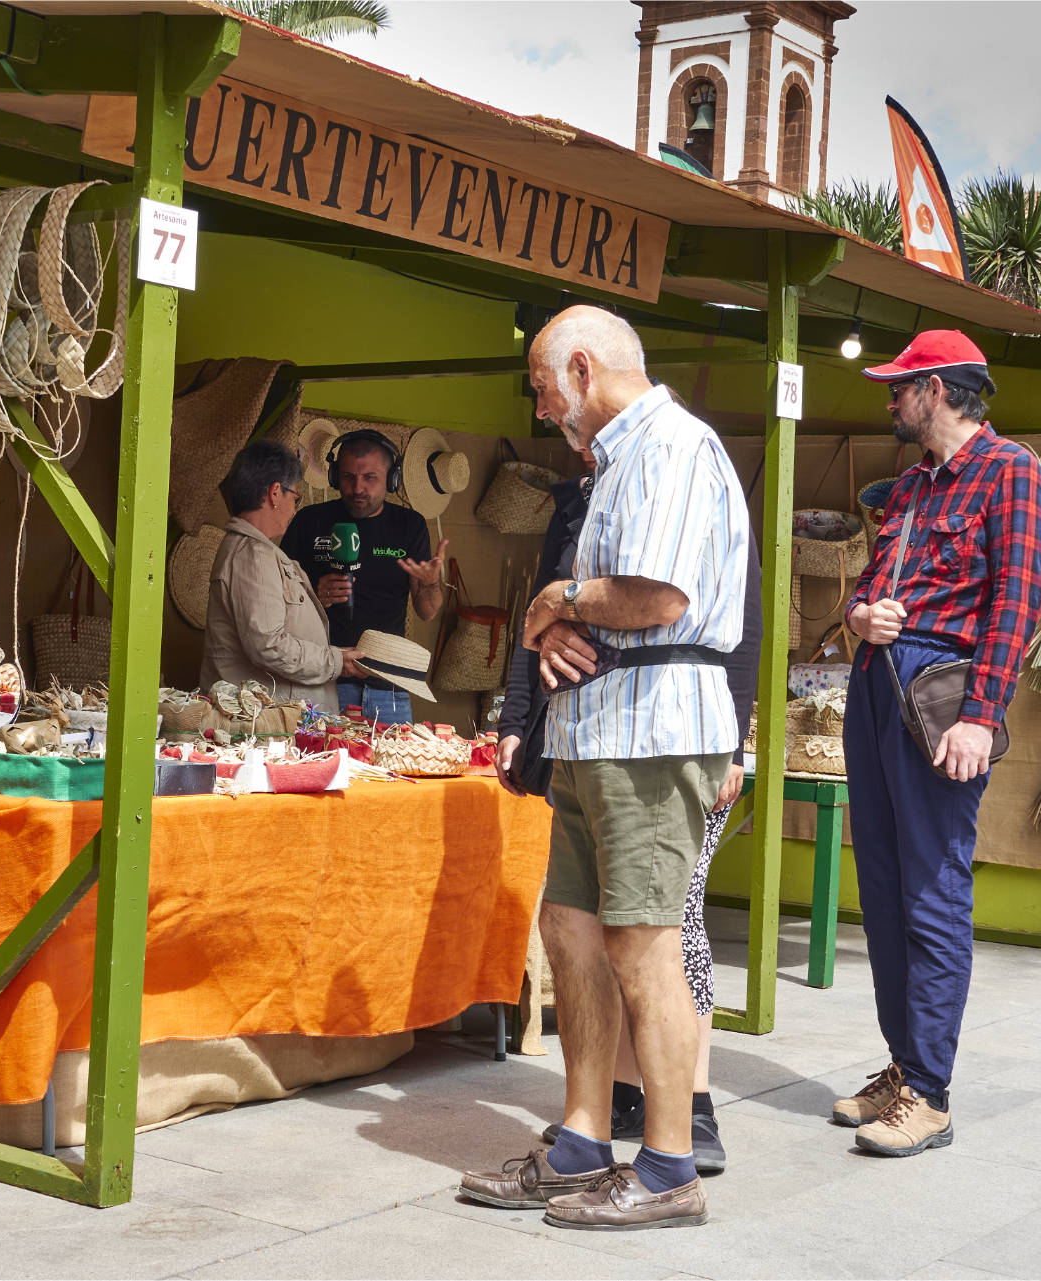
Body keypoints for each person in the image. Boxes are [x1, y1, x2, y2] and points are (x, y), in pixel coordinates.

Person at [460, 306, 746, 1232]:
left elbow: (659, 593)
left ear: (582, 369)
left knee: (643, 936)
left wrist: (558, 596)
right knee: (573, 928)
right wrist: (554, 638)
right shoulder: (622, 458)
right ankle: (583, 1140)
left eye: (546, 391)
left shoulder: (669, 444)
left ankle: (668, 1165)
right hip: (600, 726)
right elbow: (609, 611)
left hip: (652, 728)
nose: (548, 412)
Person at [494, 447, 763, 1176]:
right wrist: (520, 716)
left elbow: (731, 623)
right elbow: (536, 625)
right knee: (591, 927)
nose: (560, 421)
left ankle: (690, 1114)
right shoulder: (578, 501)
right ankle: (610, 1104)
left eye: (556, 395)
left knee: (667, 930)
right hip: (587, 731)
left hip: (669, 730)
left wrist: (733, 743)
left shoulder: (680, 467)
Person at [840, 331, 1041, 1157]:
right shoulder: (913, 486)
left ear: (939, 389)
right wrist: (860, 615)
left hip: (942, 694)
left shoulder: (1011, 470)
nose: (890, 399)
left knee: (932, 888)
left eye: (901, 386)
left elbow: (1017, 602)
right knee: (884, 885)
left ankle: (931, 1090)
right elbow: (870, 582)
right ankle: (901, 1067)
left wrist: (981, 713)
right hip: (876, 681)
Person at [280, 430, 447, 724]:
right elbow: (278, 605)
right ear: (334, 477)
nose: (357, 488)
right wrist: (313, 597)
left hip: (388, 690)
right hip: (322, 684)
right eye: (347, 477)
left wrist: (431, 583)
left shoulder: (409, 526)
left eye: (370, 477)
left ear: (392, 479)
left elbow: (428, 611)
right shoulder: (309, 521)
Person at [201, 441, 365, 707]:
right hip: (266, 725)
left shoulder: (254, 551)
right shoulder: (254, 555)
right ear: (275, 493)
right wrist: (334, 661)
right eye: (295, 497)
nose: (293, 508)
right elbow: (268, 645)